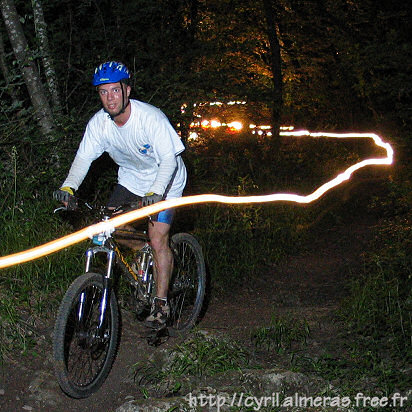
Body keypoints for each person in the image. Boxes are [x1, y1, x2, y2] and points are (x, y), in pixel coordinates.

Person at [54, 61, 187, 329]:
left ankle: (161, 303)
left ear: (127, 90)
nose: (109, 98)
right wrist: (68, 187)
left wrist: (156, 193)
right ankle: (143, 253)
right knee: (109, 227)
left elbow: (169, 161)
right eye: (103, 92)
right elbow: (83, 159)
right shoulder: (99, 124)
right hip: (131, 181)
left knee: (157, 236)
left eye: (115, 90)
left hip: (167, 181)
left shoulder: (150, 117)